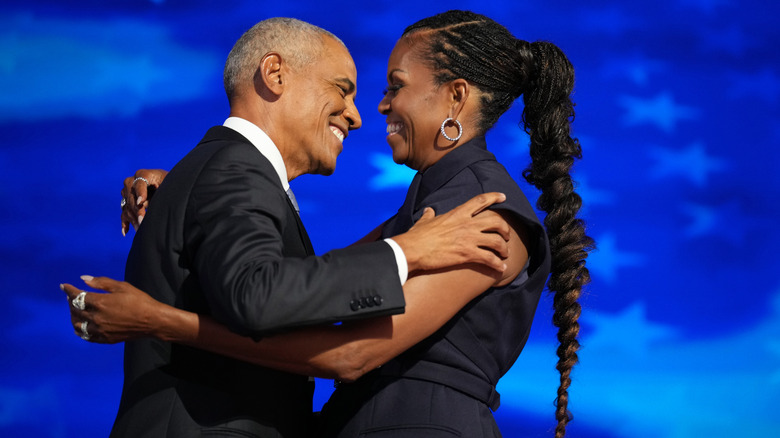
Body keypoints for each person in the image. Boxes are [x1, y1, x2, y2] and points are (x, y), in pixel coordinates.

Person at [65, 10, 594, 438]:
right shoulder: (428, 212)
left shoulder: (482, 213)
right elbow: (309, 284)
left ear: (455, 97)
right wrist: (187, 192)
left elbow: (352, 352)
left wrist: (162, 319)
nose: (374, 108)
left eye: (395, 85)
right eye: (351, 89)